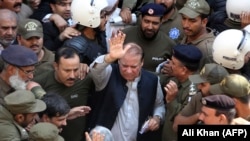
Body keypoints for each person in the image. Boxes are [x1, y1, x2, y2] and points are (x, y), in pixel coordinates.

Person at [89, 31, 165, 141]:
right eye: (124, 65)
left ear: (142, 63)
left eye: (134, 66)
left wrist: (157, 118)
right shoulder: (109, 73)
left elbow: (159, 105)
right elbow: (94, 70)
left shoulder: (152, 80)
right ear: (118, 61)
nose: (128, 71)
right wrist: (110, 57)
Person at [30, 47, 94, 141]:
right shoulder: (41, 82)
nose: (72, 76)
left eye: (75, 69)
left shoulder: (85, 78)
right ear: (55, 66)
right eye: (67, 70)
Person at [161, 44, 202, 141]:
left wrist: (172, 100)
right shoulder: (177, 78)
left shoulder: (195, 89)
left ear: (183, 70)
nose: (169, 64)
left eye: (173, 63)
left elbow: (184, 119)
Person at [173, 63, 229, 132]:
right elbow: (176, 125)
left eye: (203, 84)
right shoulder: (199, 97)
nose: (199, 87)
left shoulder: (230, 105)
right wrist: (198, 116)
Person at [122, 3, 176, 72]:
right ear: (141, 19)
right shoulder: (124, 35)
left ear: (161, 22)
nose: (150, 27)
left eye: (155, 23)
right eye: (147, 21)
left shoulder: (169, 44)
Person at [63, 0, 109, 65]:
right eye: (102, 16)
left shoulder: (99, 34)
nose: (106, 19)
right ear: (89, 19)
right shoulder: (76, 46)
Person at [176, 0, 215, 70]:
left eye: (192, 21)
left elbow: (208, 80)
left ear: (204, 22)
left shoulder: (208, 51)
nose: (185, 25)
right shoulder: (189, 34)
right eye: (184, 18)